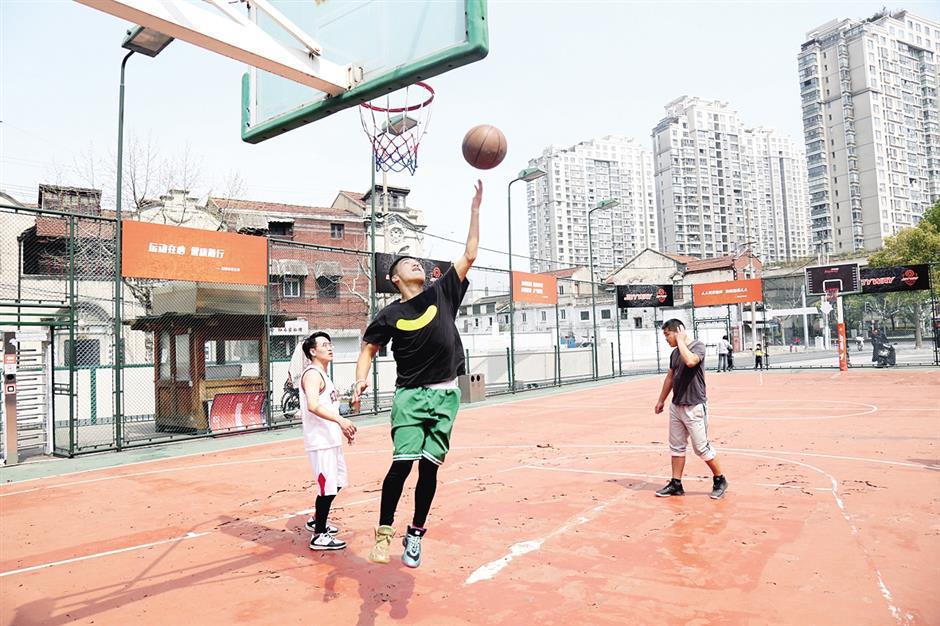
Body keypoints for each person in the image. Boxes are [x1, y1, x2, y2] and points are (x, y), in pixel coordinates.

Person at [352, 180, 482, 568]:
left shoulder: (443, 293)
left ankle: (415, 534)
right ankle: (384, 532)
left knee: (429, 467)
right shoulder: (389, 314)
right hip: (410, 396)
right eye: (408, 263)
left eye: (419, 263)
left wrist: (475, 209)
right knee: (402, 464)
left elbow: (470, 254)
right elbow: (369, 349)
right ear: (394, 279)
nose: (417, 265)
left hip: (446, 395)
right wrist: (360, 377)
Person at [653, 319, 728, 499]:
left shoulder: (697, 346)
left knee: (701, 448)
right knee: (676, 447)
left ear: (678, 331)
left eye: (667, 335)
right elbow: (670, 378)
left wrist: (680, 341)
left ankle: (720, 479)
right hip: (676, 406)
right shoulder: (674, 354)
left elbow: (691, 362)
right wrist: (661, 400)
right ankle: (676, 483)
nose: (666, 339)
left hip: (694, 406)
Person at [299, 331, 357, 551]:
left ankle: (316, 519)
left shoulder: (324, 374)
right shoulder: (312, 374)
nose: (330, 347)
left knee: (339, 482)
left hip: (331, 439)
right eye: (325, 345)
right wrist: (341, 421)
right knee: (327, 488)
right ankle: (319, 535)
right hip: (320, 441)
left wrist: (342, 427)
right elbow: (313, 405)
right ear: (313, 351)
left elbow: (327, 407)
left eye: (331, 344)